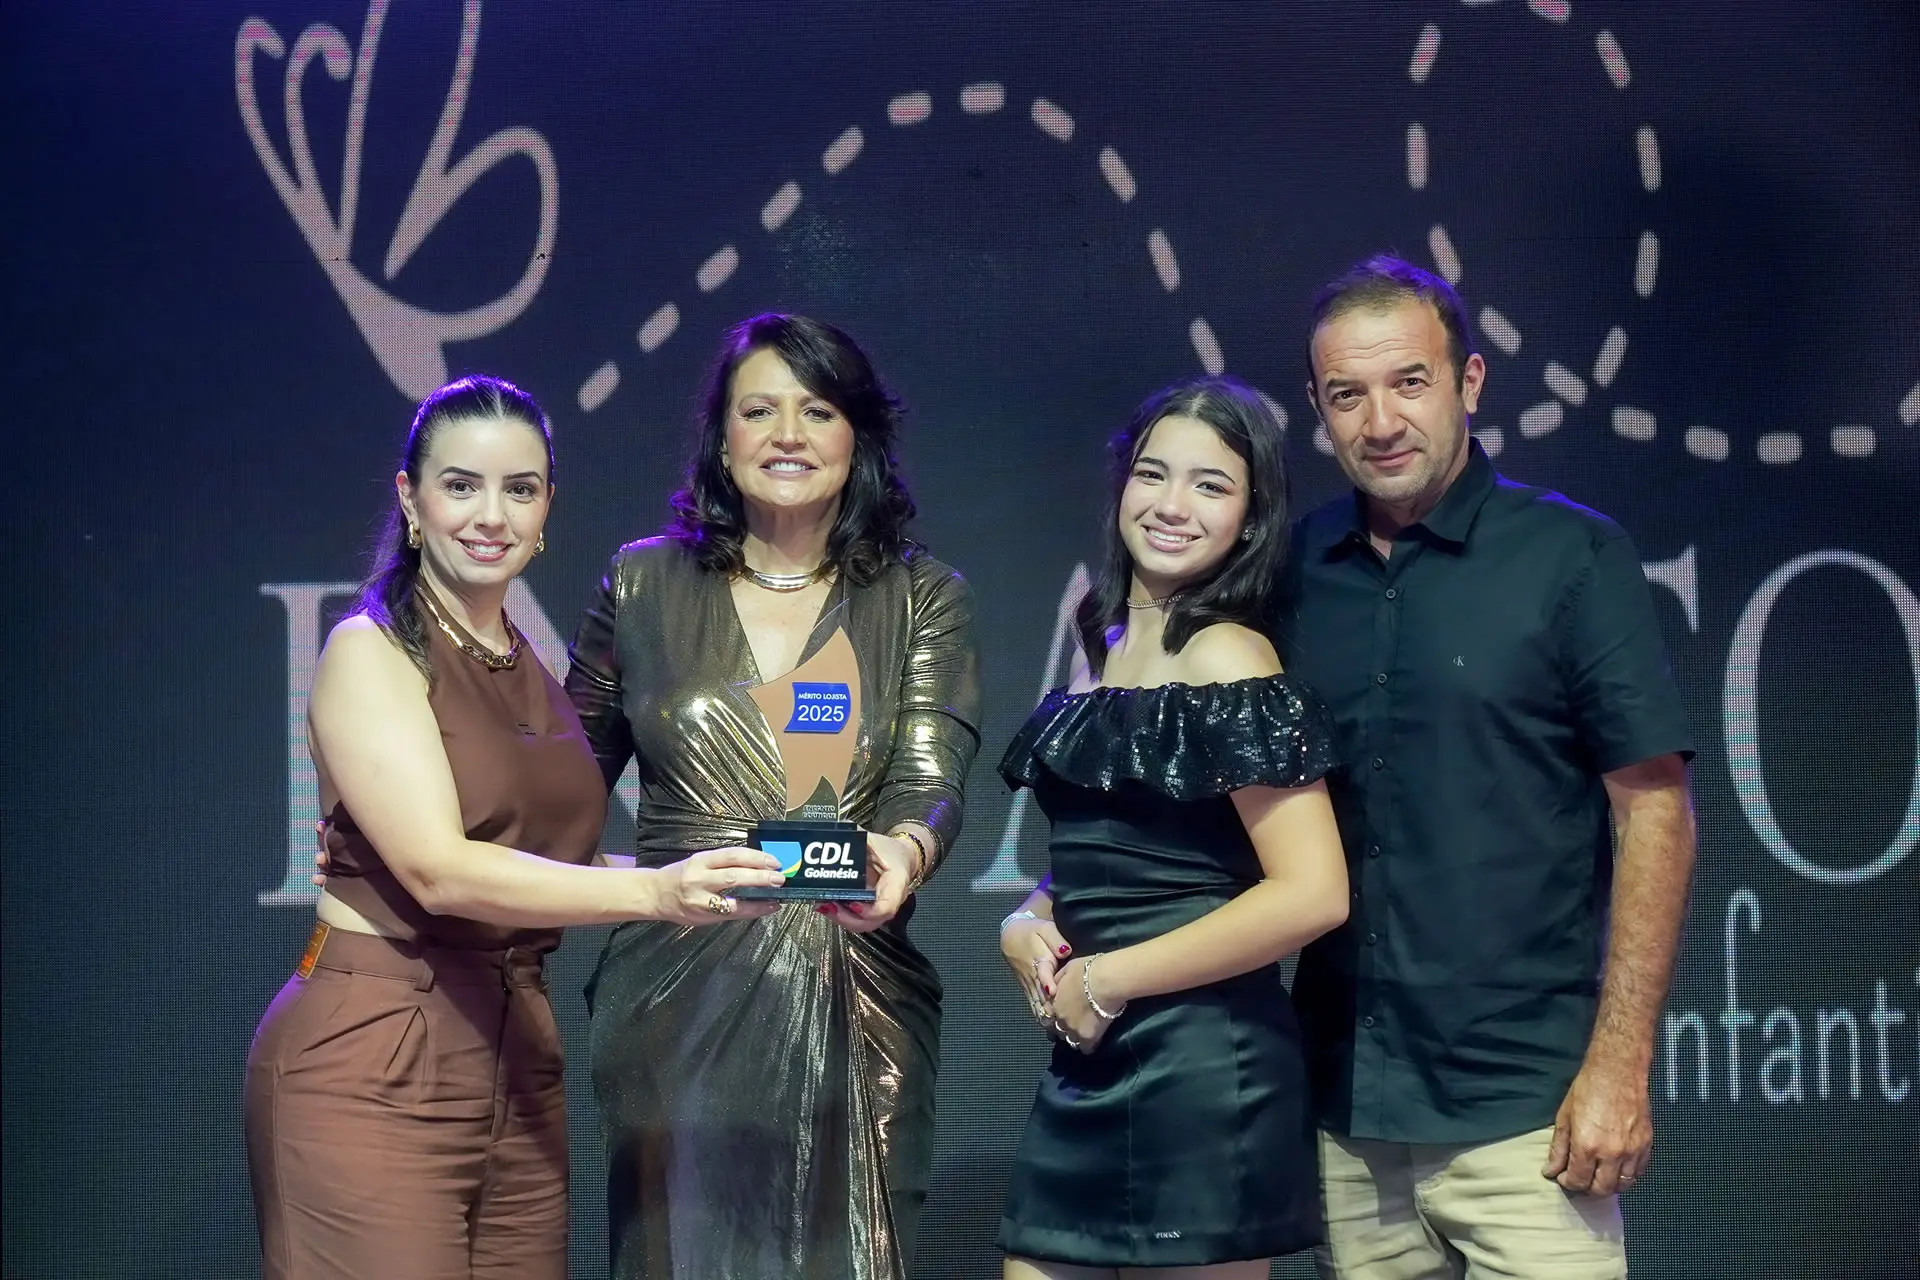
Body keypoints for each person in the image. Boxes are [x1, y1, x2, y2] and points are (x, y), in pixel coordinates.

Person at [245, 376, 786, 1280]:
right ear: (410, 499)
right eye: (461, 486)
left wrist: (717, 874)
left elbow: (552, 861)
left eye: (520, 489)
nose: (491, 515)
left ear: (546, 511)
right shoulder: (369, 649)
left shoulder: (523, 659)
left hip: (518, 1058)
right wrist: (658, 892)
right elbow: (439, 871)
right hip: (376, 1051)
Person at [1280, 255, 1698, 1279]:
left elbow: (1654, 811)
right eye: (1349, 394)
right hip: (1343, 1116)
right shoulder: (1288, 570)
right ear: (1318, 408)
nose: (1382, 421)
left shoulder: (1571, 555)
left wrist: (1620, 1064)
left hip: (1530, 1118)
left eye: (1409, 382)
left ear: (1469, 381)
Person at [563, 313, 983, 1279]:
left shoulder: (923, 595)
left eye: (818, 410)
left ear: (858, 438)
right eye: (759, 411)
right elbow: (561, 781)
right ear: (722, 438)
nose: (788, 434)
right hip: (675, 993)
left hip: (854, 988)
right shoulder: (641, 582)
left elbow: (930, 771)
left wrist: (904, 852)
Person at [996, 376, 1351, 1278]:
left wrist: (1108, 978)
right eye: (1153, 474)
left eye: (1210, 484)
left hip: (1202, 1070)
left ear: (1252, 517)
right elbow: (1124, 853)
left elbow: (1312, 893)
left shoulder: (1229, 653)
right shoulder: (1103, 640)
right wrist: (1027, 918)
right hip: (1090, 1055)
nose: (1171, 505)